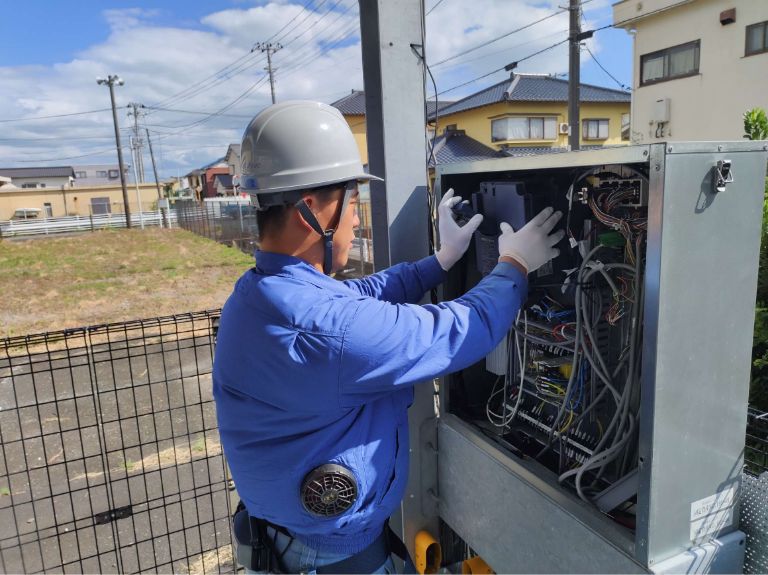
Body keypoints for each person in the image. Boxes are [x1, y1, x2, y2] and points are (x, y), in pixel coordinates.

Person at [212, 100, 564, 574]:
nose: (356, 220)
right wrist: (515, 264)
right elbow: (459, 330)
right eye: (351, 202)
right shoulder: (327, 330)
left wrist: (439, 262)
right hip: (334, 560)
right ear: (309, 209)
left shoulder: (258, 294)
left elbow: (360, 296)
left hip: (288, 543)